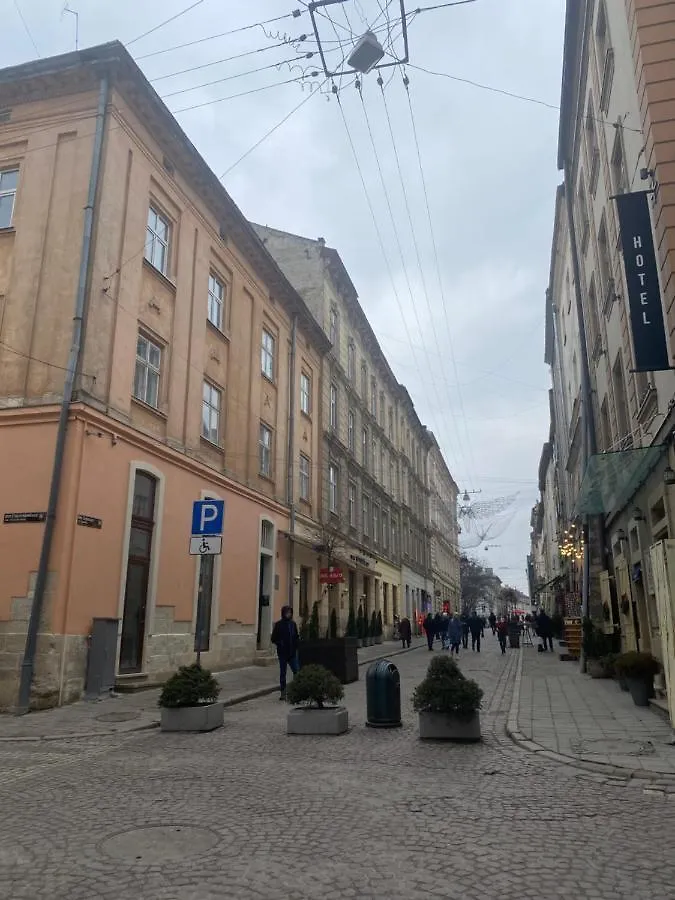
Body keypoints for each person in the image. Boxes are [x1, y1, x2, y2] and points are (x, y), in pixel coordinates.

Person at [271, 605, 299, 700]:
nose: (289, 614)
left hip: (292, 653)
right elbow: (273, 638)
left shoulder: (293, 624)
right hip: (282, 653)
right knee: (283, 673)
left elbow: (296, 636)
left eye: (290, 612)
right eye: (287, 612)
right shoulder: (279, 625)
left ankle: (296, 689)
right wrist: (280, 643)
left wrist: (296, 646)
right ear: (283, 613)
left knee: (297, 671)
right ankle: (283, 692)